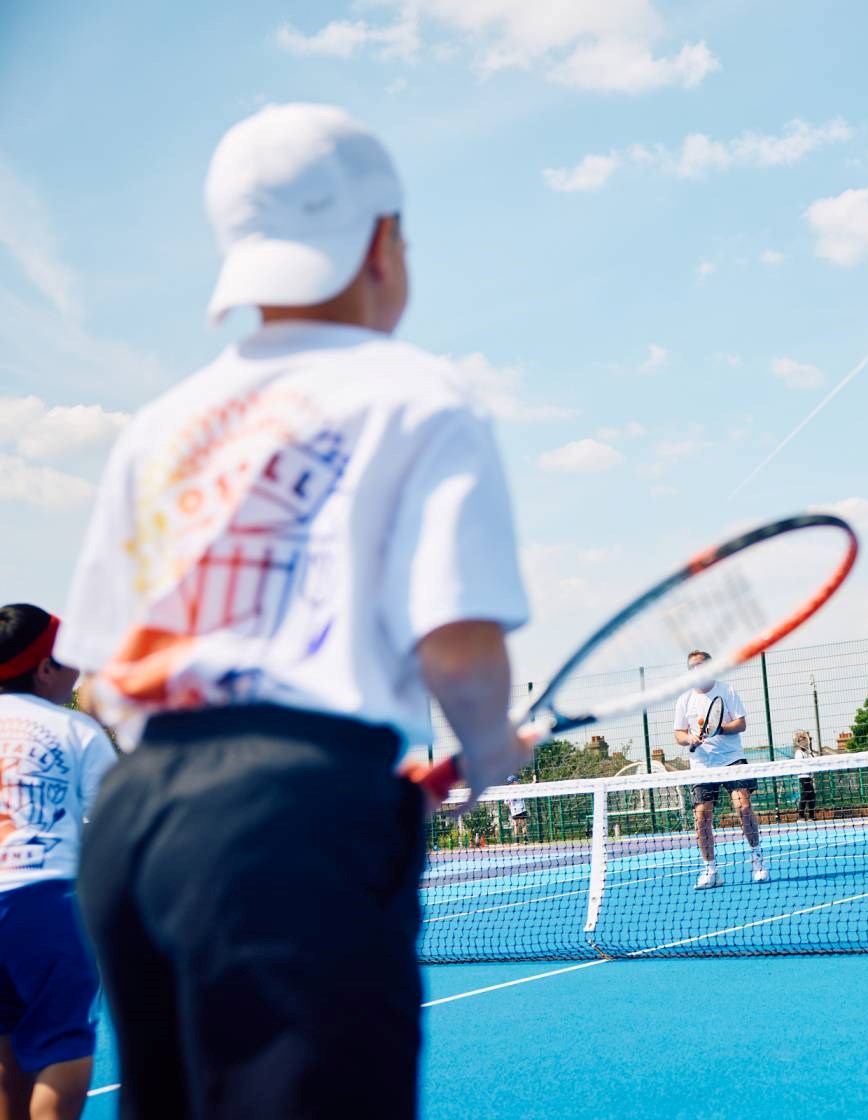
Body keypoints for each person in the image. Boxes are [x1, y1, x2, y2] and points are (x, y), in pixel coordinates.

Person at [56, 103, 532, 1119]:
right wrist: (488, 751)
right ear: (379, 241)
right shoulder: (418, 393)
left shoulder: (162, 422)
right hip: (296, 831)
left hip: (137, 829)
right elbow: (458, 643)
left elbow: (100, 673)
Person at [0, 606, 119, 1120]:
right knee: (64, 1042)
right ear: (45, 669)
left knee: (5, 1053)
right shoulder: (76, 730)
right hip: (44, 897)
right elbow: (115, 824)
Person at [673, 651, 767, 888]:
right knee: (702, 817)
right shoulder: (684, 700)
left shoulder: (727, 691)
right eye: (692, 666)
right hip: (702, 766)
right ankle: (711, 871)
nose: (696, 669)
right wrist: (689, 739)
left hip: (732, 760)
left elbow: (741, 723)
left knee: (743, 807)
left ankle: (757, 859)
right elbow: (679, 734)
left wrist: (720, 730)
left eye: (700, 665)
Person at [792, 729, 820, 822]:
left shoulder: (807, 753)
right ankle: (801, 816)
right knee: (805, 795)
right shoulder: (798, 753)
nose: (807, 742)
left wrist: (810, 750)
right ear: (800, 742)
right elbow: (801, 765)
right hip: (803, 777)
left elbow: (813, 761)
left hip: (809, 777)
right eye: (804, 740)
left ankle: (811, 816)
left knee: (811, 796)